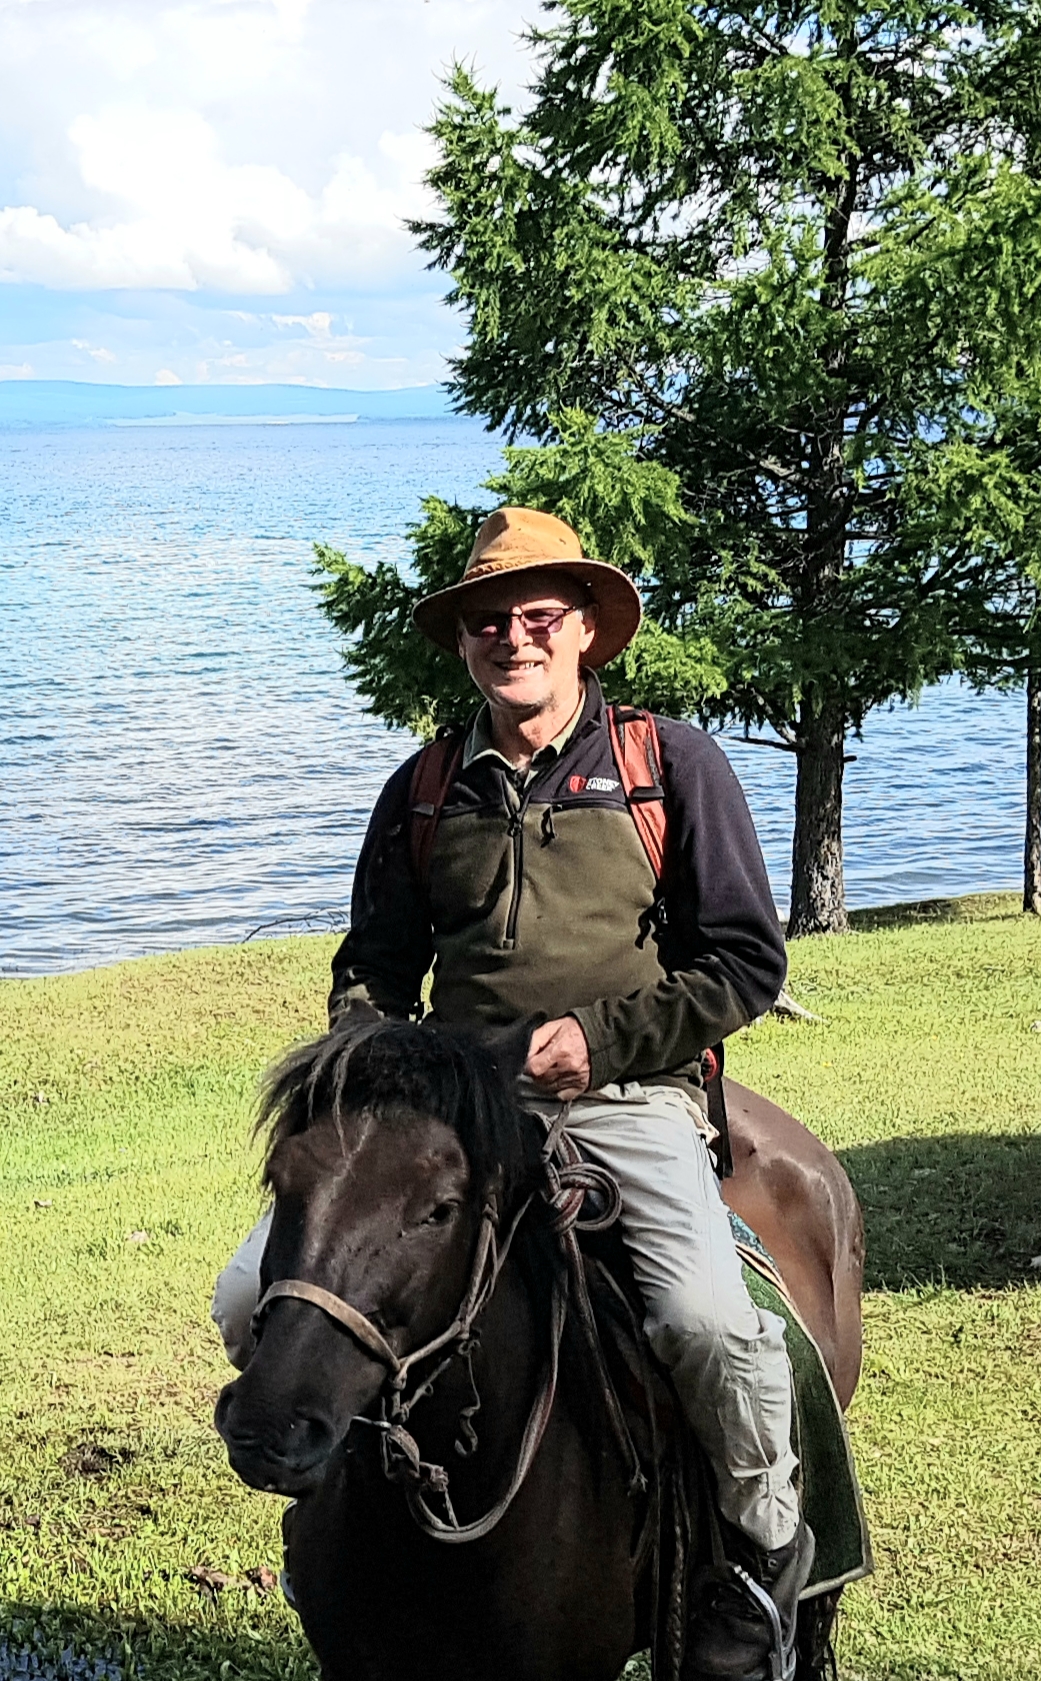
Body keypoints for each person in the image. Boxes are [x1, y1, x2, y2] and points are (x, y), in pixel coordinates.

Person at [212, 507, 807, 1679]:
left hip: (628, 1095)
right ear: (467, 643)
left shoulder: (668, 765)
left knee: (705, 1323)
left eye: (539, 616)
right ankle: (345, 1518)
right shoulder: (427, 785)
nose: (513, 637)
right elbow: (373, 966)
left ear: (585, 629)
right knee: (250, 1300)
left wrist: (597, 1041)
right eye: (490, 620)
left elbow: (744, 961)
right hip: (450, 1111)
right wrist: (375, 1059)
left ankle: (756, 1561)